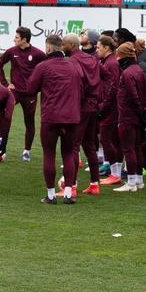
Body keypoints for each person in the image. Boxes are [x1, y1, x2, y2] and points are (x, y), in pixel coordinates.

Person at [25, 34, 83, 204]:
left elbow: (30, 89)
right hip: (71, 116)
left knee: (49, 154)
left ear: (49, 48)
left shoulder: (43, 66)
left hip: (51, 116)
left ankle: (50, 195)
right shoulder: (74, 65)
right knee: (69, 153)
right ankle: (68, 193)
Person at [0, 27, 45, 162]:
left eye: (16, 37)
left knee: (29, 122)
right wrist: (5, 84)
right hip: (14, 93)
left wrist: (38, 88)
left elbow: (47, 71)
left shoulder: (39, 54)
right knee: (3, 115)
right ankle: (0, 146)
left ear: (24, 39)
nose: (14, 39)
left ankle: (26, 151)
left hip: (30, 95)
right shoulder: (11, 51)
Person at [62, 33, 102, 194]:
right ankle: (94, 184)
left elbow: (76, 84)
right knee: (90, 146)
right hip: (93, 107)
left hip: (81, 107)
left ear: (71, 45)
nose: (62, 46)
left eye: (64, 44)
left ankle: (70, 187)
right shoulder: (92, 58)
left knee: (73, 147)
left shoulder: (72, 61)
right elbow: (105, 76)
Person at [114, 42, 146, 192]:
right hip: (137, 115)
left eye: (118, 55)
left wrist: (137, 110)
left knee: (129, 149)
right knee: (136, 148)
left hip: (128, 115)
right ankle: (139, 180)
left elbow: (133, 95)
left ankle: (131, 183)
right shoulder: (138, 70)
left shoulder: (128, 73)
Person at [96, 35, 123, 187]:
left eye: (99, 47)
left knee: (107, 139)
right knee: (112, 139)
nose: (97, 50)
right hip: (110, 106)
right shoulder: (109, 61)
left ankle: (115, 173)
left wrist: (103, 107)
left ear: (106, 48)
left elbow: (112, 89)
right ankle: (116, 172)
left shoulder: (111, 64)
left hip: (110, 108)